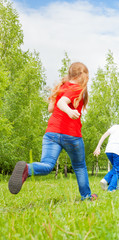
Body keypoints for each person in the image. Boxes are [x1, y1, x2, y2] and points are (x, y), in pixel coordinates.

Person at [8, 62, 97, 200]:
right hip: (71, 135)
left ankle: (27, 168)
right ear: (81, 75)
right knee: (79, 166)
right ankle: (86, 197)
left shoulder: (60, 87)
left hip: (52, 133)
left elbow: (51, 108)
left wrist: (61, 104)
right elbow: (62, 103)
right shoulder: (77, 88)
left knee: (47, 165)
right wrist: (69, 111)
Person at [93, 113, 119, 192]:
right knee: (118, 171)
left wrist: (98, 147)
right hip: (117, 151)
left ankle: (105, 181)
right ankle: (111, 188)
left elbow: (104, 136)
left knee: (116, 168)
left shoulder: (115, 126)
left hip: (108, 150)